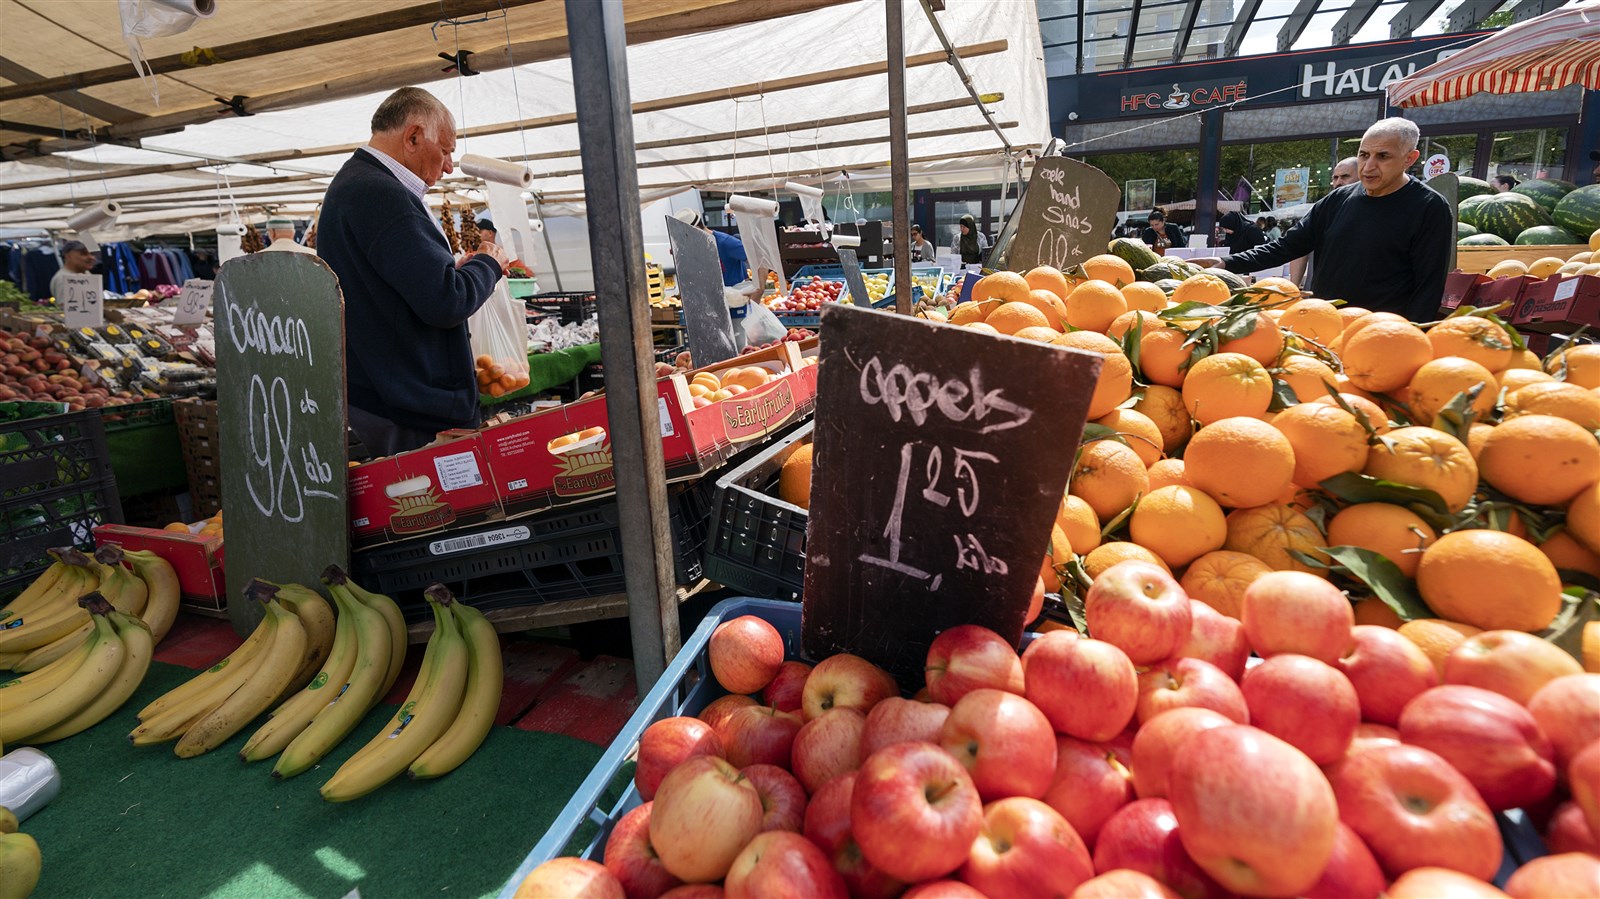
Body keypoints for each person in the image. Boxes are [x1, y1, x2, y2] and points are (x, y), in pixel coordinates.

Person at [317, 86, 510, 457]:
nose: (450, 165)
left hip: (386, 393)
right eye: (446, 150)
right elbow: (444, 301)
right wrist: (489, 263)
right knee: (431, 508)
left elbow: (396, 284)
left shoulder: (357, 185)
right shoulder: (382, 195)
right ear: (414, 136)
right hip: (409, 402)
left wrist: (451, 269)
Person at [1206, 118, 1453, 323]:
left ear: (1409, 158)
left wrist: (1411, 337)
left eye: (1383, 156)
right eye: (1364, 154)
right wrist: (1225, 263)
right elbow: (1287, 246)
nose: (1369, 166)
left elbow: (1428, 287)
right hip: (1325, 326)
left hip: (1382, 336)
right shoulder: (1337, 200)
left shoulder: (1430, 207)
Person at [673, 209, 748, 287]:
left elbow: (757, 260)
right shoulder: (696, 247)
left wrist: (757, 290)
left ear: (697, 230)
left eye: (687, 236)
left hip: (733, 295)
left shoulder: (725, 242)